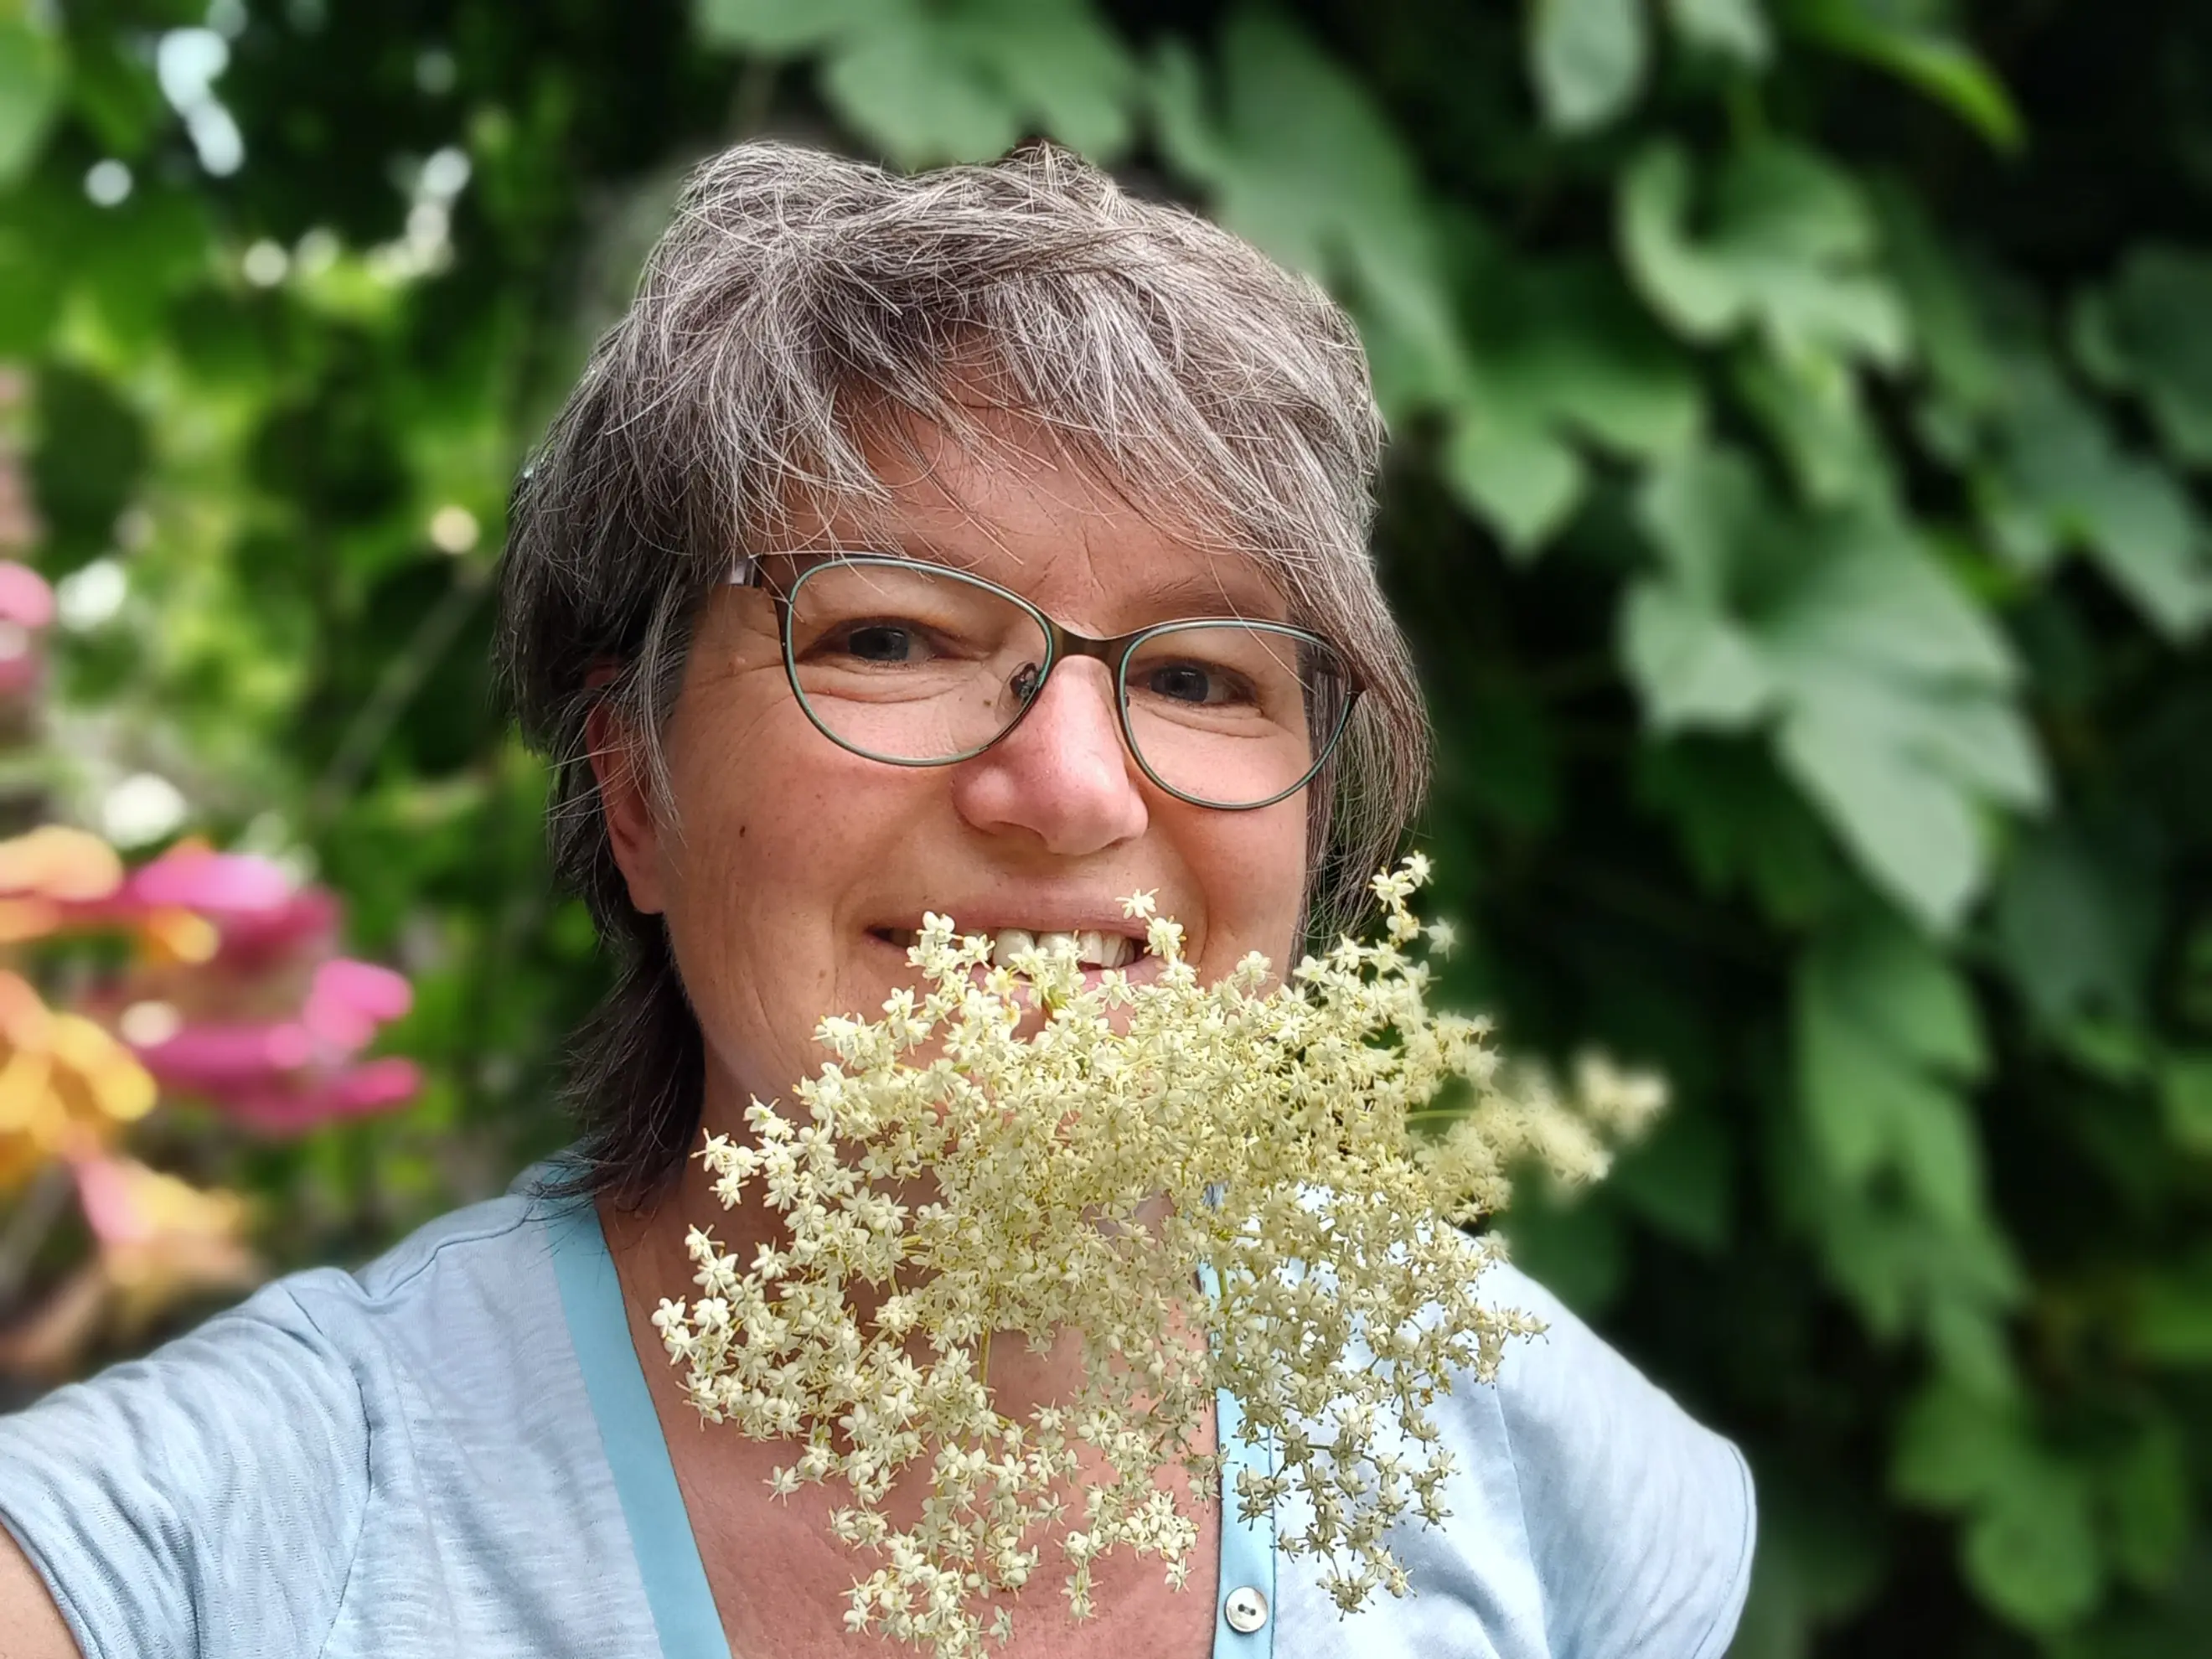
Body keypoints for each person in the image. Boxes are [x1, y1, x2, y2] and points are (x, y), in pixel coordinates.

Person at [0, 142, 1752, 1659]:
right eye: (892, 636)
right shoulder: (252, 1530)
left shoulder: (1537, 1465)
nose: (1071, 792)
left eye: (1206, 674)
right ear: (634, 792)